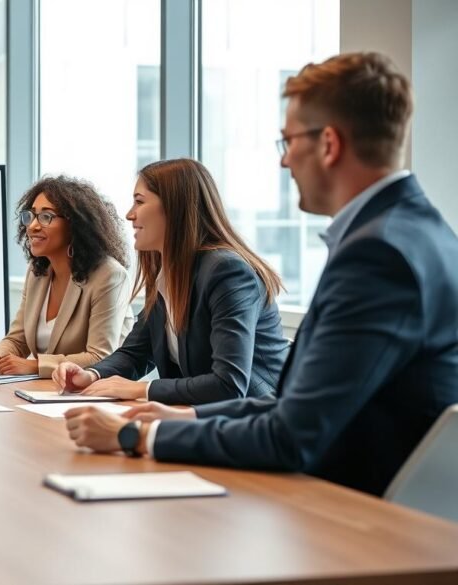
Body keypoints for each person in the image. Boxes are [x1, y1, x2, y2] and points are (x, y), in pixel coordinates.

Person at [65, 51, 458, 497]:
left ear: (329, 144)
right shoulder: (414, 231)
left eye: (288, 142)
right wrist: (188, 417)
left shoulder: (378, 254)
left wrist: (134, 436)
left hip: (362, 517)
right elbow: (293, 408)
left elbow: (291, 435)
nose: (284, 162)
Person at [52, 159, 289, 405]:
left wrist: (141, 390)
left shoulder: (227, 271)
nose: (129, 214)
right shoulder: (168, 274)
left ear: (175, 208)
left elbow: (228, 384)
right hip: (202, 418)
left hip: (258, 423)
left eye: (140, 201)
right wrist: (91, 374)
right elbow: (135, 353)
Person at [0, 175, 135, 378]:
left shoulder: (110, 276)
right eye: (30, 215)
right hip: (46, 393)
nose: (32, 226)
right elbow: (18, 340)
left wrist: (35, 366)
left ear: (76, 224)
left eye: (46, 216)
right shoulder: (38, 272)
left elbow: (100, 356)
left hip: (96, 395)